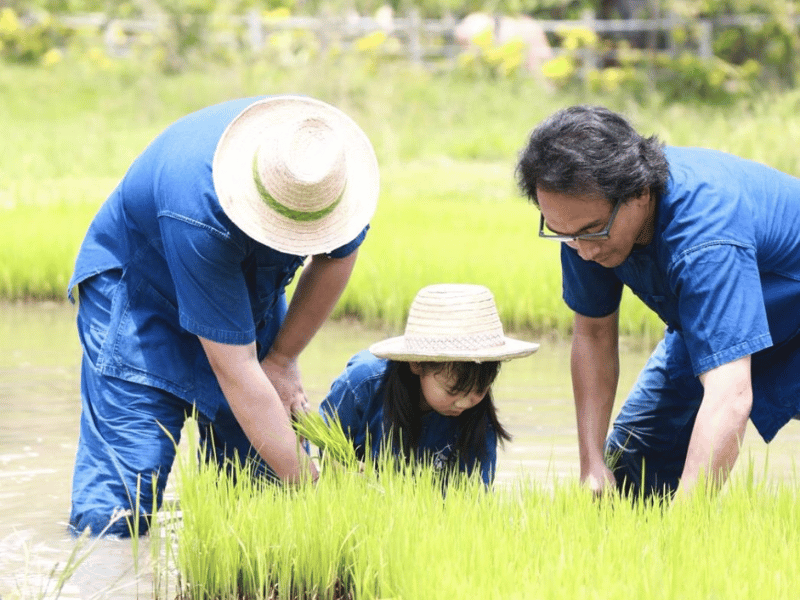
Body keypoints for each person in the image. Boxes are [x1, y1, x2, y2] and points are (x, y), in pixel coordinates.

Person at [67, 95, 380, 536]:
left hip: (249, 292)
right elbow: (235, 370)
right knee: (119, 507)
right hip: (144, 293)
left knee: (264, 496)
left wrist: (283, 358)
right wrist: (316, 488)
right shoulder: (199, 207)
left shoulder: (329, 170)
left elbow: (338, 256)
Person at [515, 104, 800, 499]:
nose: (580, 250)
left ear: (639, 193)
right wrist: (591, 463)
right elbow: (594, 332)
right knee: (630, 474)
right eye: (565, 234)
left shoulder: (704, 235)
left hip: (790, 314)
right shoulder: (584, 228)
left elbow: (729, 395)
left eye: (590, 232)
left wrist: (684, 522)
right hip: (715, 321)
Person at [319, 283, 539, 485]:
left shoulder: (478, 420)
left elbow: (474, 498)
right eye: (452, 390)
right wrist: (346, 473)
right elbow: (320, 444)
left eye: (480, 390)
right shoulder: (363, 383)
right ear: (417, 363)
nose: (463, 402)